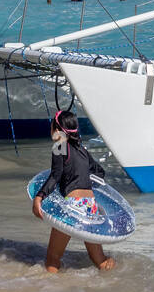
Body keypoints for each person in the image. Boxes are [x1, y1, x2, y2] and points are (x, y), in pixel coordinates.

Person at [32, 108, 115, 272]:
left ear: (57, 130)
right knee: (99, 260)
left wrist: (39, 197)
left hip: (73, 205)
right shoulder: (82, 150)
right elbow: (100, 172)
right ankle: (115, 274)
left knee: (52, 258)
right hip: (91, 206)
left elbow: (55, 175)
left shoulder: (59, 145)